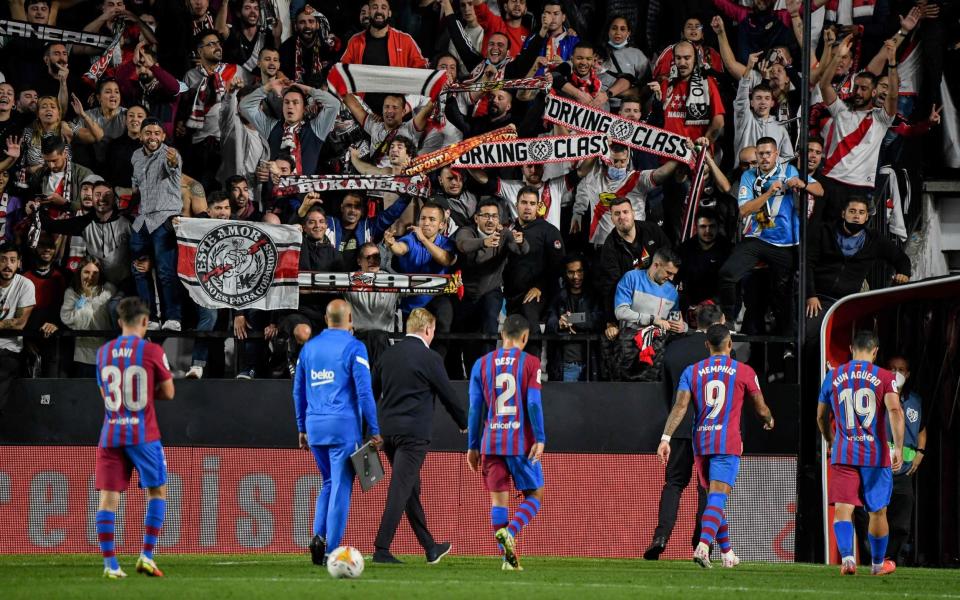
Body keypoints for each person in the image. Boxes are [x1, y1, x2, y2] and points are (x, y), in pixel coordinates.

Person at [657, 324, 774, 568]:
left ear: (706, 345)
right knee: (718, 498)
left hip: (700, 442)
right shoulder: (743, 371)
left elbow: (679, 407)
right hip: (726, 442)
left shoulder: (692, 371)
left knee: (713, 498)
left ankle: (727, 553)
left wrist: (665, 438)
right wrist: (769, 420)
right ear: (730, 345)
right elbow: (760, 406)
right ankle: (702, 546)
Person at [372, 308, 467, 564]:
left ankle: (430, 546)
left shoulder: (388, 355)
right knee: (401, 488)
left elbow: (372, 393)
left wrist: (372, 429)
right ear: (427, 330)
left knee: (409, 488)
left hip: (388, 433)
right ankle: (381, 548)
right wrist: (463, 422)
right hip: (414, 434)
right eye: (433, 331)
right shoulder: (430, 358)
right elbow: (447, 393)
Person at [293, 300, 381, 566]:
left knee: (328, 482)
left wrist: (300, 426)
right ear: (350, 318)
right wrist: (374, 430)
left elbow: (298, 391)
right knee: (341, 486)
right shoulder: (355, 347)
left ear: (325, 318)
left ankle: (318, 537)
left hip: (315, 426)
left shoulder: (309, 348)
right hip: (343, 427)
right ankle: (333, 551)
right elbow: (365, 392)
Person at [93, 296, 174, 579]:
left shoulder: (103, 353)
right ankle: (147, 556)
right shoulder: (151, 351)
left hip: (111, 431)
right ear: (144, 321)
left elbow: (105, 394)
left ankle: (111, 565)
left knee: (108, 498)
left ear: (119, 322)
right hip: (143, 432)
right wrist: (143, 395)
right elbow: (169, 392)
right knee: (157, 491)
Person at [816, 329, 905, 576]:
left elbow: (821, 416)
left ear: (851, 348)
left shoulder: (833, 376)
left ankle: (847, 559)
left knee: (844, 508)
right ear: (875, 351)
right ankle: (877, 565)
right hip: (875, 456)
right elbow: (896, 411)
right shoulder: (885, 377)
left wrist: (830, 439)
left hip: (844, 453)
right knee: (878, 511)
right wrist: (897, 448)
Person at [644, 303, 724, 560]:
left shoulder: (674, 349)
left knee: (674, 484)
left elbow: (668, 391)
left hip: (679, 427)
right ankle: (703, 542)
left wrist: (671, 424)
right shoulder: (722, 354)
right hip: (710, 431)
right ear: (720, 322)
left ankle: (661, 536)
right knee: (707, 488)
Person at [718, 136, 822, 334]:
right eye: (761, 154)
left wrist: (801, 183)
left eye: (768, 153)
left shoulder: (789, 171)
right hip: (757, 237)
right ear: (756, 156)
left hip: (785, 243)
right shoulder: (749, 176)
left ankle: (788, 344)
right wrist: (768, 193)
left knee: (783, 296)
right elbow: (744, 210)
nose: (764, 157)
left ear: (776, 155)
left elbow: (820, 190)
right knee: (727, 274)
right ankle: (729, 319)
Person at [467, 314, 545, 571]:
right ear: (525, 337)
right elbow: (533, 403)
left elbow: (475, 409)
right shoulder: (531, 363)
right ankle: (511, 531)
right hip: (519, 442)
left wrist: (472, 445)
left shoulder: (481, 364)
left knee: (499, 503)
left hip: (490, 443)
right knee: (535, 494)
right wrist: (540, 437)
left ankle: (507, 560)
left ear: (502, 335)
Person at [130, 118, 182, 330]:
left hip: (164, 218)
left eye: (156, 133)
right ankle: (149, 318)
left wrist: (172, 162)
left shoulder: (171, 154)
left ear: (163, 136)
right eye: (148, 132)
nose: (152, 136)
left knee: (165, 270)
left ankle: (173, 318)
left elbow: (173, 167)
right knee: (138, 270)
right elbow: (136, 185)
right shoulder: (135, 156)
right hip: (142, 219)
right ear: (141, 136)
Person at [884, 355, 925, 566]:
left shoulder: (915, 401)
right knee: (874, 514)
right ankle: (874, 558)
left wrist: (920, 452)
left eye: (901, 370)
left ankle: (893, 560)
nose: (896, 373)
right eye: (892, 369)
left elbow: (922, 429)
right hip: (880, 470)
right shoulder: (876, 396)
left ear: (907, 375)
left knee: (901, 522)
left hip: (904, 472)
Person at [545, 254, 603, 382]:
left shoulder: (594, 295)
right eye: (571, 272)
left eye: (579, 271)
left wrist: (572, 320)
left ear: (585, 271)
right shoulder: (558, 297)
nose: (575, 276)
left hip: (590, 363)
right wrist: (560, 323)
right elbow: (549, 322)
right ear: (565, 273)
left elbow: (598, 320)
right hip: (566, 365)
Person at [0, 241, 36, 411]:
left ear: (19, 263)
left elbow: (19, 323)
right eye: (3, 260)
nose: (8, 265)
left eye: (12, 260)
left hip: (9, 349)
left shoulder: (25, 285)